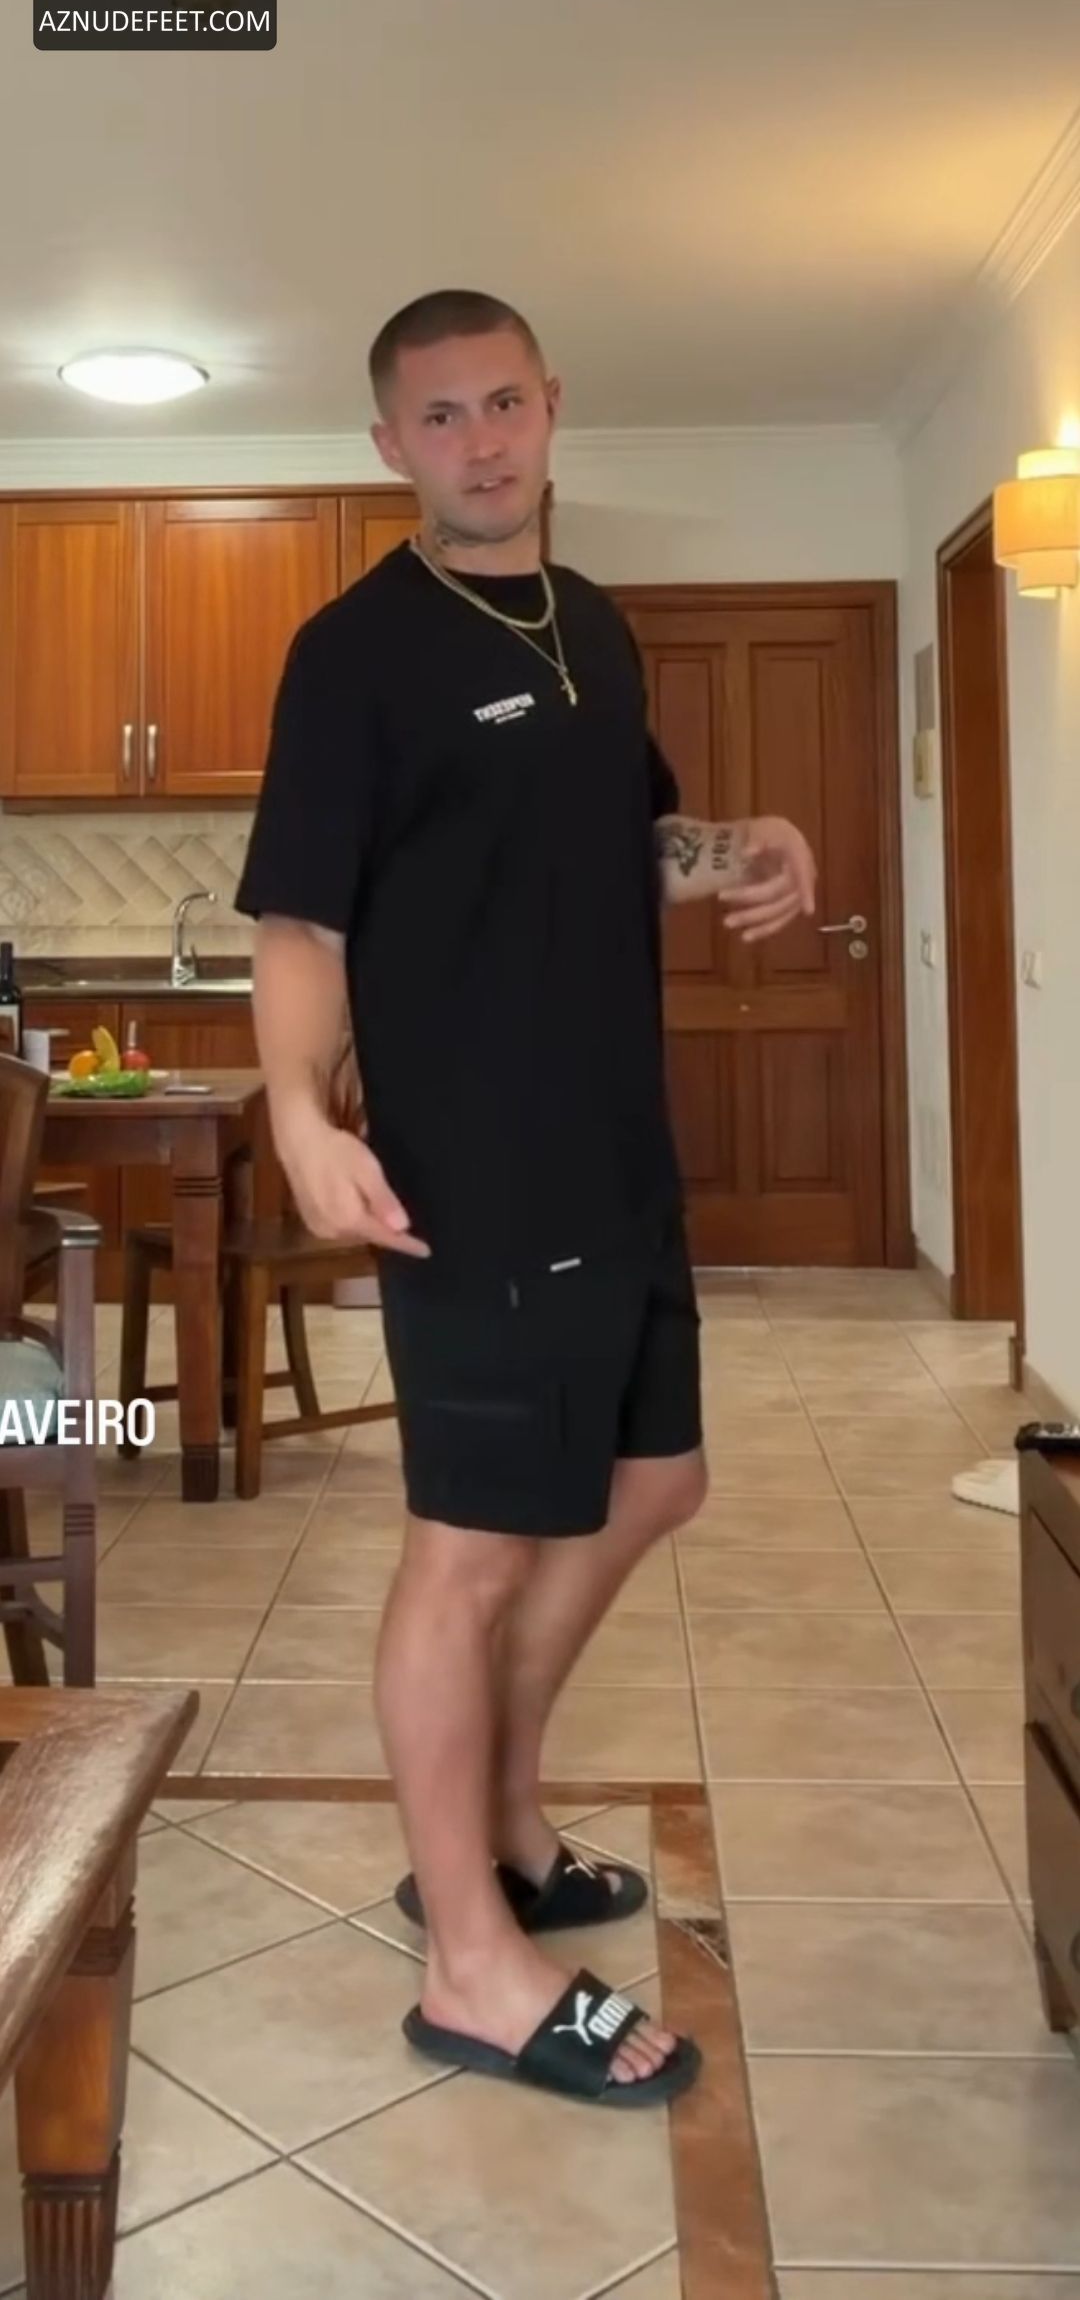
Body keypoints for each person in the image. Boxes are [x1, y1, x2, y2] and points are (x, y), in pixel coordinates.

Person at [234, 289, 818, 2111]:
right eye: (441, 415)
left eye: (503, 402)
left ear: (551, 406)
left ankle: (494, 1808)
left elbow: (617, 846)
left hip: (617, 1152)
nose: (480, 441)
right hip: (474, 1174)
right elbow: (300, 919)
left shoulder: (594, 625)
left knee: (658, 1479)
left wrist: (746, 844)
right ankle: (471, 1966)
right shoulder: (356, 655)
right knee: (466, 1551)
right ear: (389, 444)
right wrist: (296, 1110)